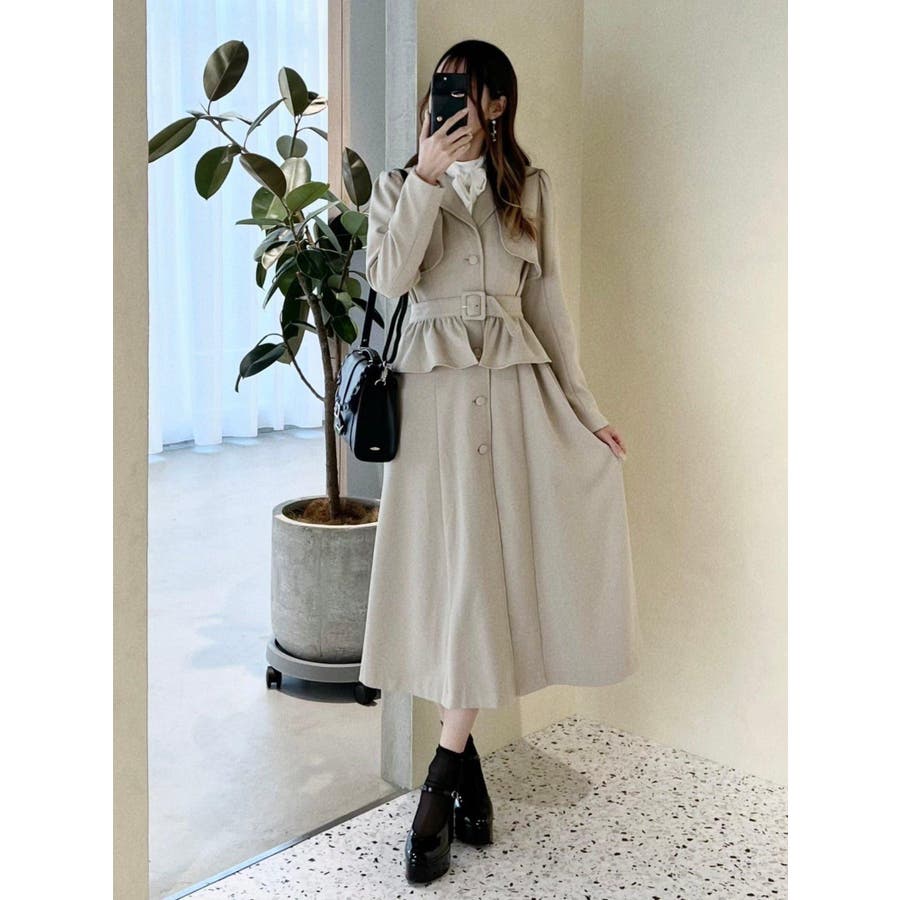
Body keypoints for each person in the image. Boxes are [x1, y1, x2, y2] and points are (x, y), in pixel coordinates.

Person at [359, 39, 641, 884]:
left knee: (486, 580)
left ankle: (440, 785)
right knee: (452, 583)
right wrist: (425, 179)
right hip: (435, 411)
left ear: (498, 103)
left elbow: (550, 311)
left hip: (515, 403)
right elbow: (388, 278)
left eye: (468, 88)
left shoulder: (530, 188)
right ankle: (463, 772)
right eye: (444, 87)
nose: (452, 101)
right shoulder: (399, 186)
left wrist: (588, 415)